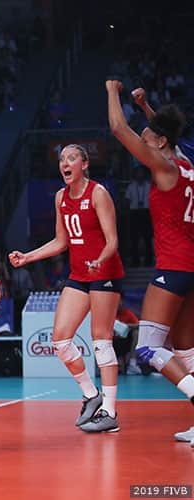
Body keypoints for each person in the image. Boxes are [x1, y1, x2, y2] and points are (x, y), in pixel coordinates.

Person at [9, 144, 125, 432]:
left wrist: (100, 260)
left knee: (101, 341)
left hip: (104, 272)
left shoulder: (98, 193)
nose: (65, 163)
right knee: (60, 340)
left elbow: (113, 240)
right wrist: (28, 257)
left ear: (85, 164)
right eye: (62, 159)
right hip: (79, 275)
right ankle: (90, 394)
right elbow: (61, 241)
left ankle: (110, 412)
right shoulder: (60, 197)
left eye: (72, 158)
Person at [107, 81, 194, 444]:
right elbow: (166, 132)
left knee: (148, 348)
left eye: (147, 139)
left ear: (158, 144)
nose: (142, 143)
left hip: (173, 267)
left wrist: (112, 92)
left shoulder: (163, 167)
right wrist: (145, 106)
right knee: (187, 351)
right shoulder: (186, 161)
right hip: (190, 268)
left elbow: (117, 129)